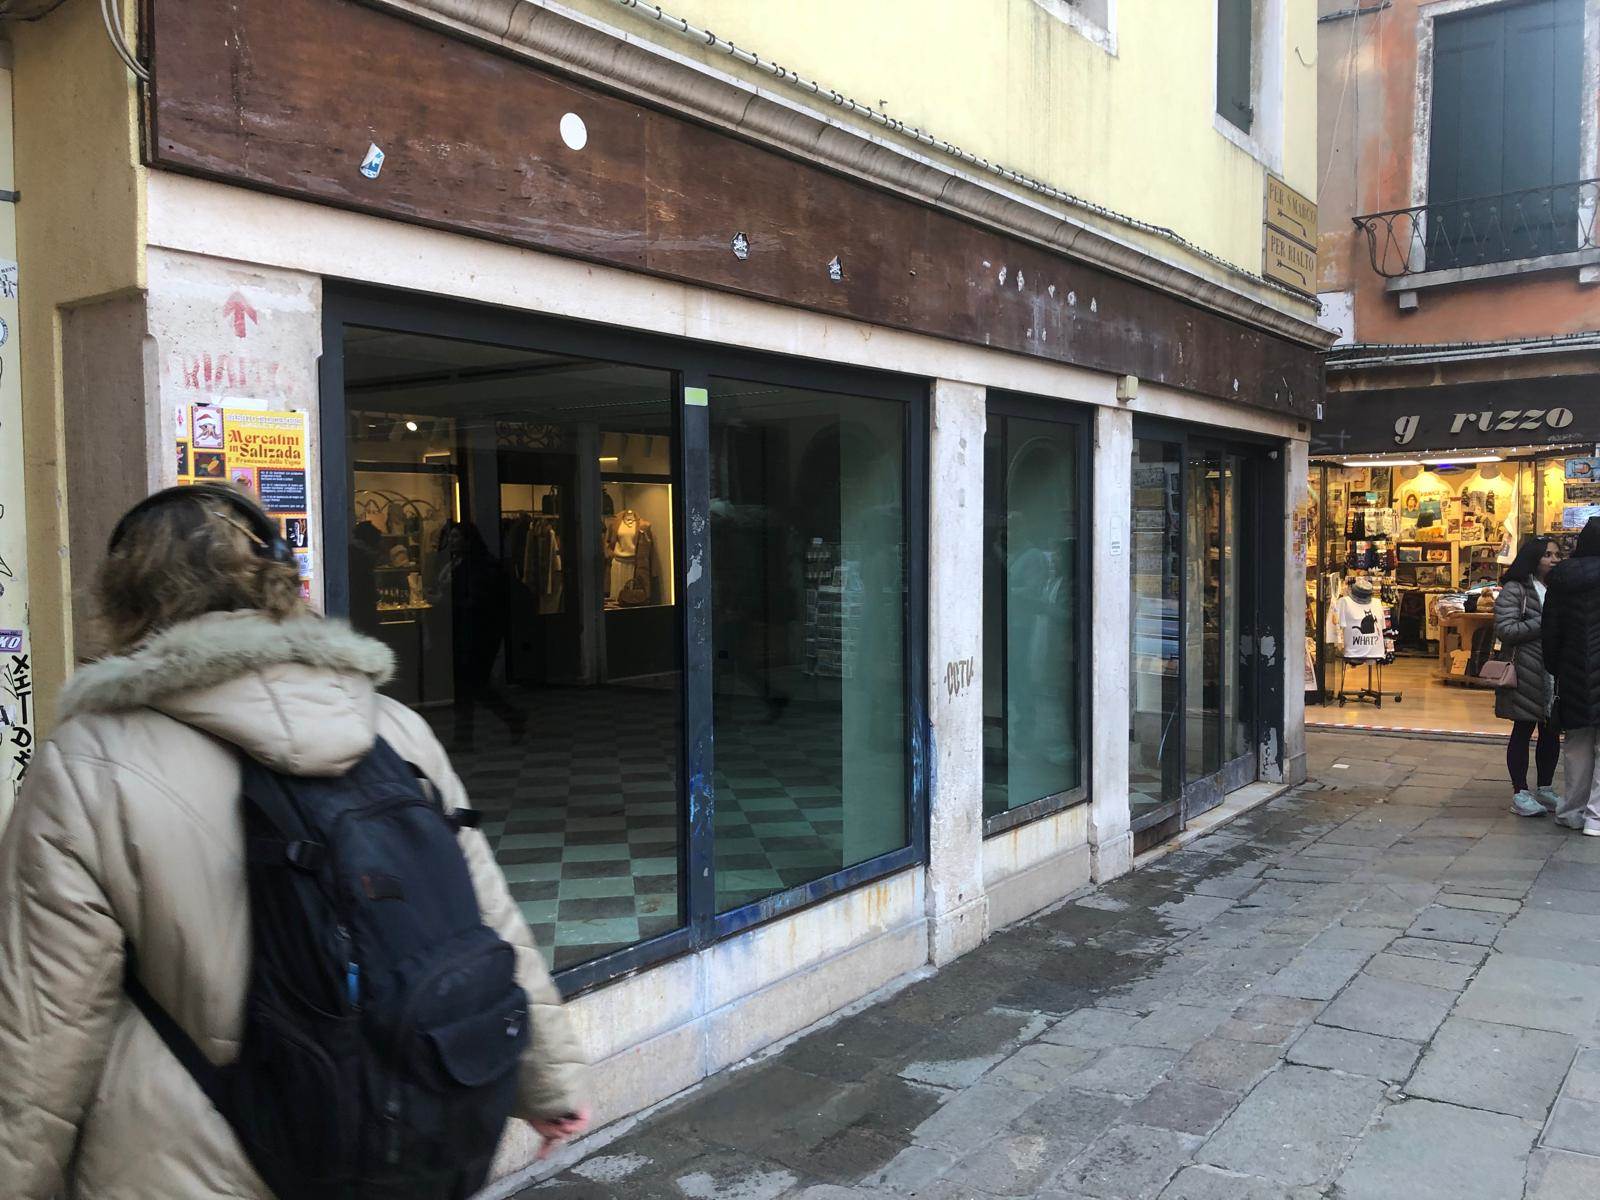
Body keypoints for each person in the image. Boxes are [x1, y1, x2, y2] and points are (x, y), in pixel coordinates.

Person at [0, 485, 588, 1199]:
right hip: (393, 1127)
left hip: (187, 1158)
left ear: (125, 599)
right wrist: (550, 1082)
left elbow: (43, 1022)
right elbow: (487, 916)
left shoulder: (87, 763)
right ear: (278, 577)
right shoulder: (394, 728)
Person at [1493, 537, 1560, 816]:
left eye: (1556, 554)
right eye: (1548, 555)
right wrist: (1545, 622)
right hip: (1524, 670)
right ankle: (1520, 791)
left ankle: (1545, 787)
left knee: (1551, 731)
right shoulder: (1516, 589)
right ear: (1534, 558)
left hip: (1553, 671)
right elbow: (1506, 629)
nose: (1554, 560)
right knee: (1522, 729)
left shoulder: (1557, 588)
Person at [1543, 516, 1600, 836]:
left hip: (1574, 670)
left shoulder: (1563, 578)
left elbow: (1550, 630)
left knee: (1577, 743)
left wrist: (1557, 666)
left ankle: (1571, 811)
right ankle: (1596, 817)